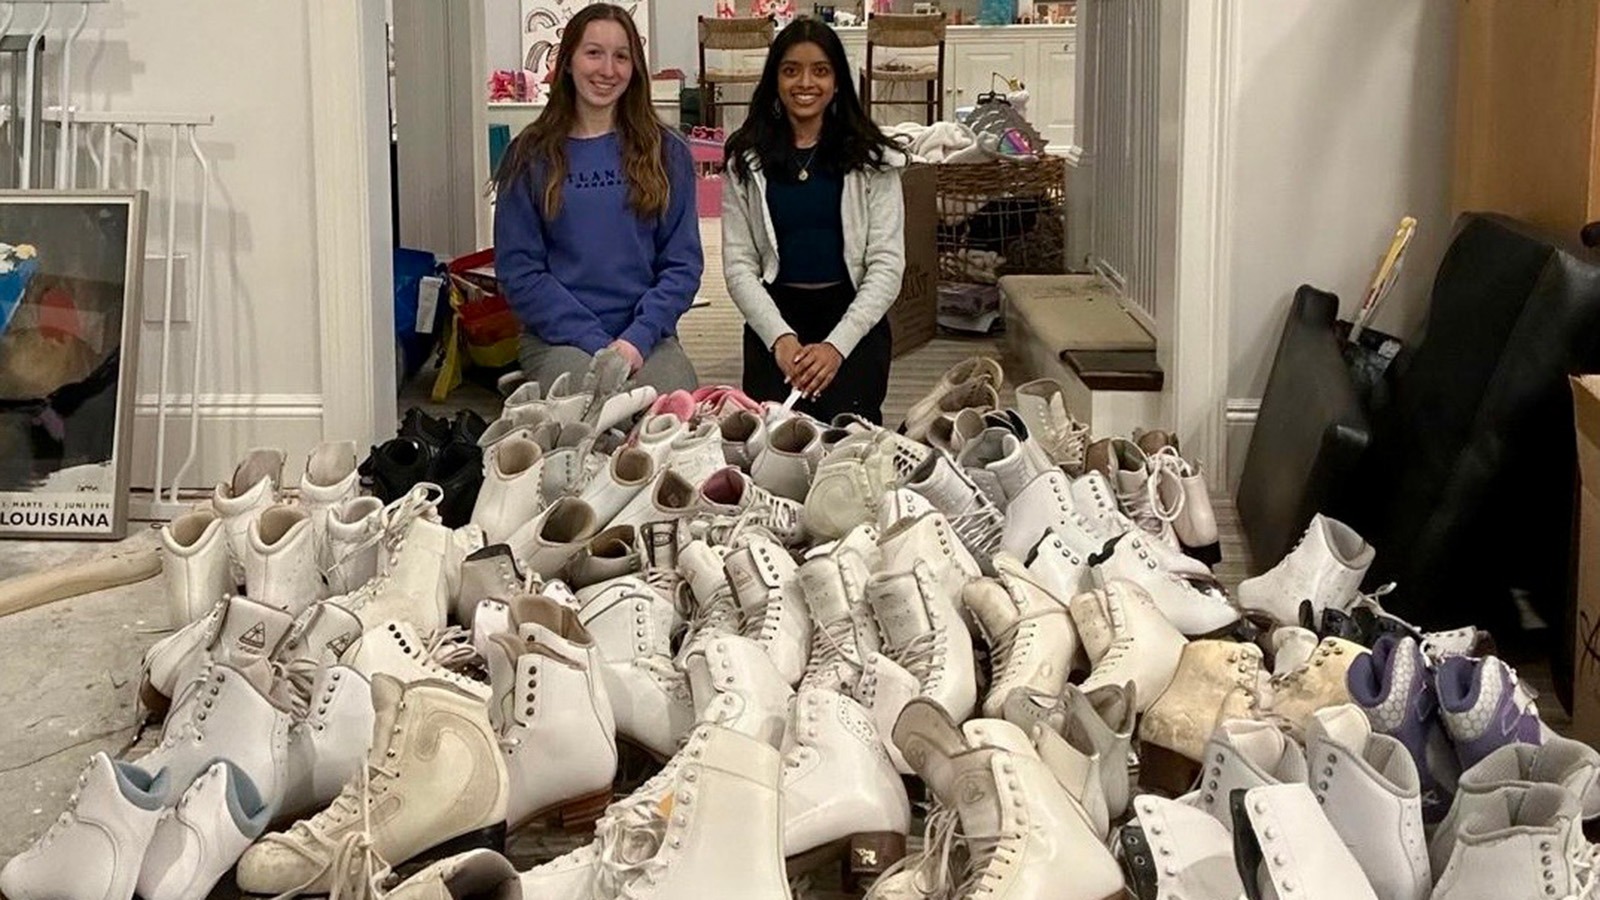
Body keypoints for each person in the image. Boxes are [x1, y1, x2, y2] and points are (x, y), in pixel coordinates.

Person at [493, 3, 703, 394]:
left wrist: (635, 341)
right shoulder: (528, 156)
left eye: (621, 56)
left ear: (634, 68)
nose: (608, 70)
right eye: (594, 53)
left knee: (670, 415)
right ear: (568, 62)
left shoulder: (668, 151)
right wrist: (598, 344)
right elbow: (519, 273)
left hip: (646, 338)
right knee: (592, 411)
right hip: (561, 339)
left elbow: (683, 265)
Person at [722, 16, 906, 424]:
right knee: (768, 442)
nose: (805, 82)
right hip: (776, 316)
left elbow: (887, 266)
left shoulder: (875, 160)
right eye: (791, 70)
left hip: (851, 318)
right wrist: (781, 339)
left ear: (838, 81)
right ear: (774, 80)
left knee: (848, 442)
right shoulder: (746, 160)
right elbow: (738, 266)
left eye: (820, 71)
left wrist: (836, 346)